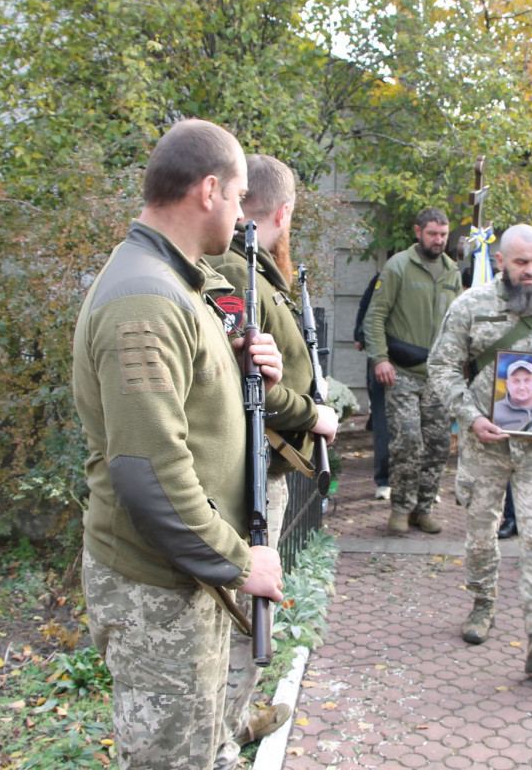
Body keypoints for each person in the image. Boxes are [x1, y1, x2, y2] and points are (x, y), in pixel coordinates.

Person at [72, 119, 286, 770]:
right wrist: (240, 561)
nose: (245, 216)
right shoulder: (146, 299)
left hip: (184, 578)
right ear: (210, 190)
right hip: (157, 591)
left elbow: (183, 408)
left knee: (205, 744)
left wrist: (238, 358)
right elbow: (148, 474)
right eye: (239, 196)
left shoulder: (175, 285)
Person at [206, 154, 338, 752]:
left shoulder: (250, 269)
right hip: (247, 476)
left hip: (254, 467)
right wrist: (316, 416)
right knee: (244, 617)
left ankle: (232, 723)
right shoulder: (239, 275)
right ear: (282, 211)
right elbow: (245, 385)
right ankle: (224, 742)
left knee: (243, 612)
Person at [428, 224, 532, 674]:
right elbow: (442, 367)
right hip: (486, 446)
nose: (531, 270)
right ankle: (482, 605)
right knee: (481, 534)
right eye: (521, 262)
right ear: (501, 261)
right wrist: (471, 417)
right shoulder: (471, 307)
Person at [363, 207, 462, 535]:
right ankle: (400, 509)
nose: (439, 240)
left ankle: (424, 507)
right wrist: (380, 358)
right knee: (407, 439)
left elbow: (459, 323)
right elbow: (375, 316)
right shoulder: (398, 267)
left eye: (444, 234)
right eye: (433, 233)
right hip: (402, 372)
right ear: (418, 232)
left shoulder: (452, 272)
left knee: (436, 445)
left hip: (438, 375)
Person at [354, 272, 391, 499]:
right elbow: (366, 307)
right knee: (382, 421)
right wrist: (360, 333)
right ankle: (384, 479)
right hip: (383, 357)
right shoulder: (383, 277)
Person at [492, 359, 532, 432]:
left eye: (527, 380)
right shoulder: (496, 410)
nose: (522, 387)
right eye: (516, 381)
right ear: (508, 385)